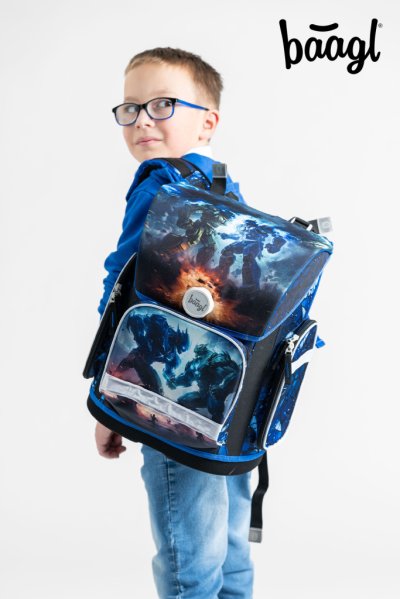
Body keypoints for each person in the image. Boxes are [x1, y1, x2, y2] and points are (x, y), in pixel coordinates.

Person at [93, 47, 254, 599]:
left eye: (162, 104)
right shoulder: (226, 189)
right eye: (130, 108)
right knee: (230, 551)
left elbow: (125, 291)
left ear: (208, 121)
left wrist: (111, 397)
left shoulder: (158, 183)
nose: (142, 120)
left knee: (189, 560)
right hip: (236, 405)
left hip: (173, 403)